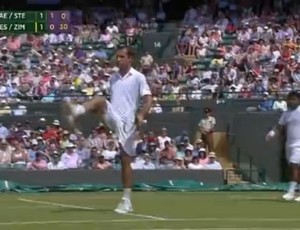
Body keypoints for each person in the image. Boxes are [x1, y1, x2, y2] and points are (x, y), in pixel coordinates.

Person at [63, 47, 152, 213]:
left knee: (126, 160)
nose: (118, 60)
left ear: (130, 59)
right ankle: (77, 111)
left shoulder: (139, 78)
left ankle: (127, 201)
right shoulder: (112, 79)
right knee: (100, 101)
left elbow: (148, 100)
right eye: (117, 57)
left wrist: (141, 114)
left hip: (128, 124)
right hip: (114, 118)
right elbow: (114, 101)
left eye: (121, 57)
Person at [265, 91, 300, 201]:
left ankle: (291, 192)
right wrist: (272, 133)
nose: (291, 101)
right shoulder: (286, 114)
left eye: (294, 99)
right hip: (289, 144)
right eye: (290, 99)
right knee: (294, 168)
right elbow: (279, 126)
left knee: (295, 166)